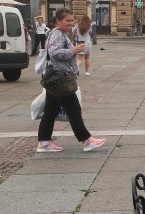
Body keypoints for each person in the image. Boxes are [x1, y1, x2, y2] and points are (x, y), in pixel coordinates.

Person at [36, 8, 106, 153]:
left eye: (72, 20)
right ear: (58, 21)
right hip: (60, 79)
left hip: (56, 78)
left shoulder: (60, 34)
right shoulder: (57, 34)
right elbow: (54, 53)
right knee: (73, 109)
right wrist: (73, 50)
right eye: (67, 20)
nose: (70, 23)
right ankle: (87, 140)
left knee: (51, 110)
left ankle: (44, 142)